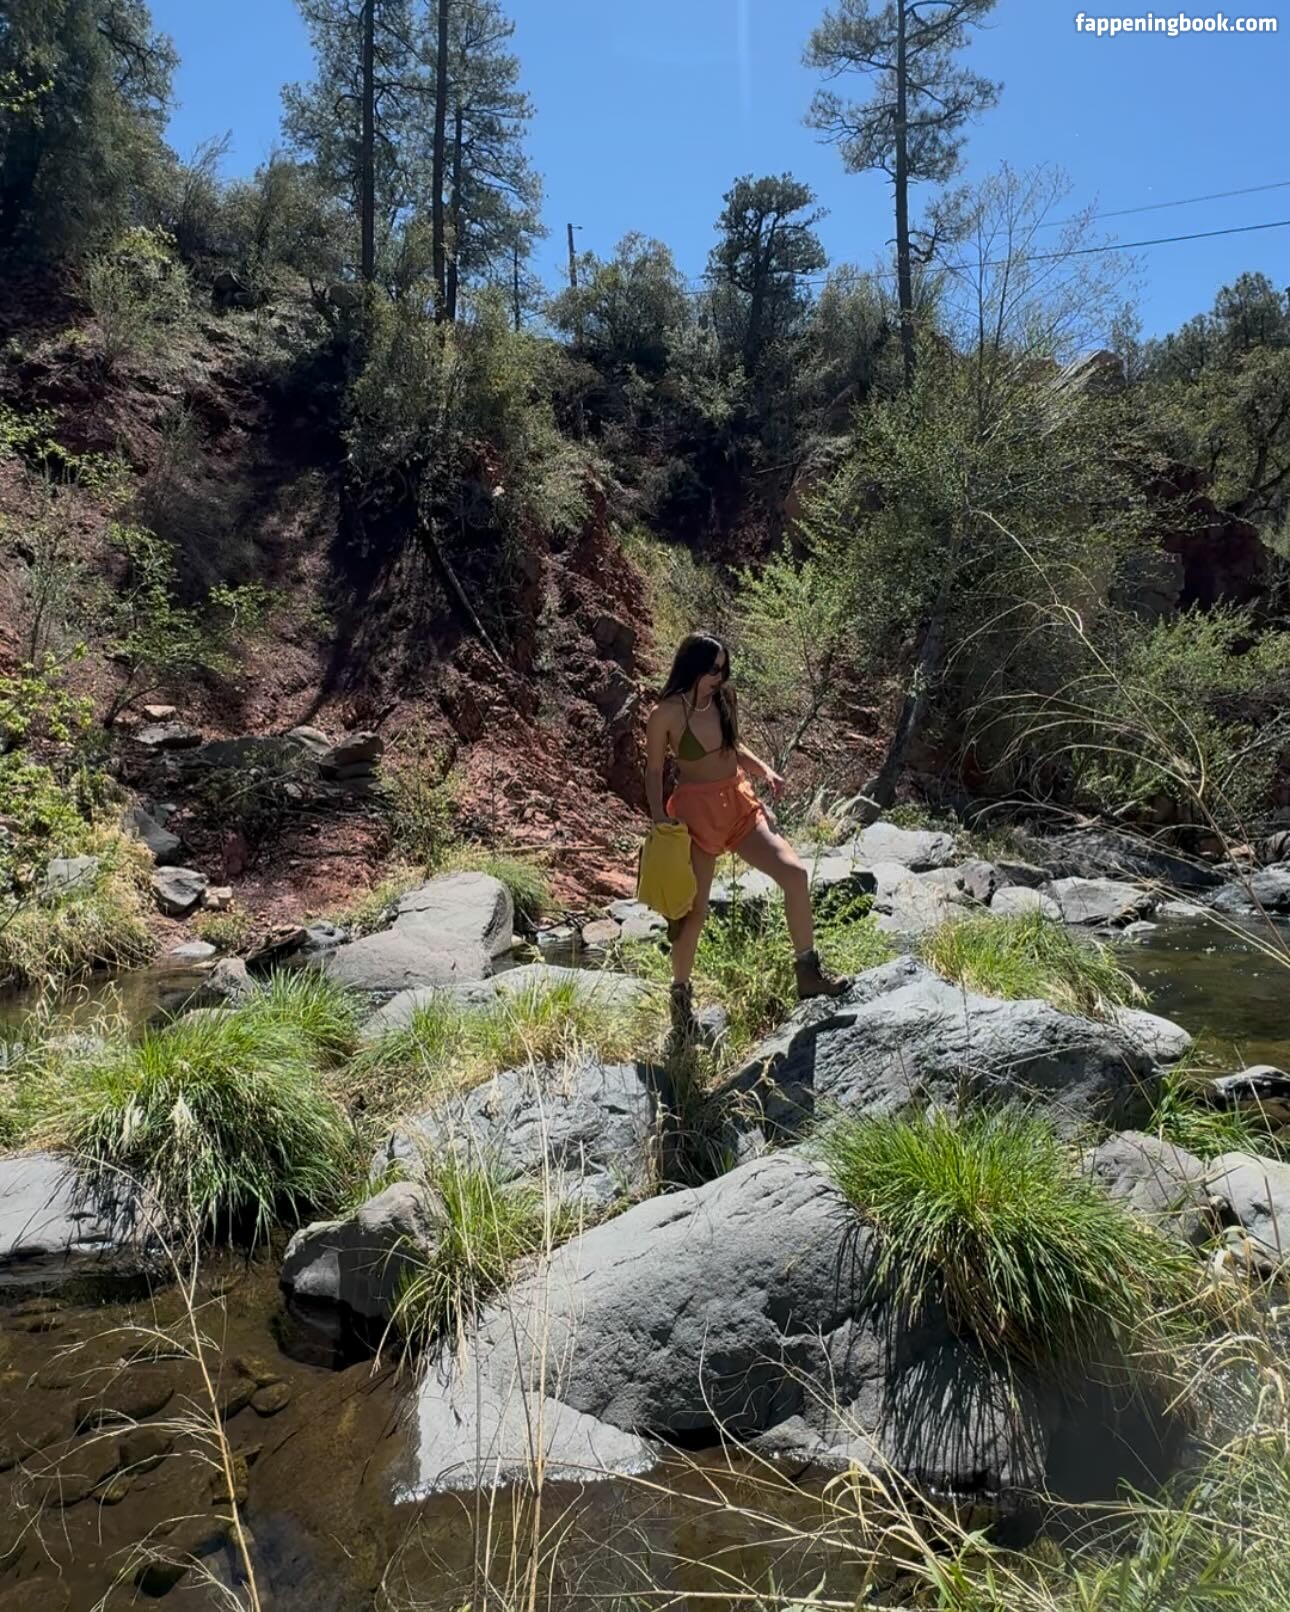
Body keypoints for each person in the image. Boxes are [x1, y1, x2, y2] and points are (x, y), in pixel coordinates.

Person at [644, 631, 847, 1043]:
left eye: (724, 669)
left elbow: (733, 748)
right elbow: (652, 771)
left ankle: (808, 973)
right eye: (714, 669)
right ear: (693, 666)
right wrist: (658, 819)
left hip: (738, 805)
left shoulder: (724, 699)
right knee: (692, 913)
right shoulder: (664, 714)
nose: (720, 677)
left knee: (795, 874)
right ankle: (681, 1007)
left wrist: (765, 771)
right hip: (694, 817)